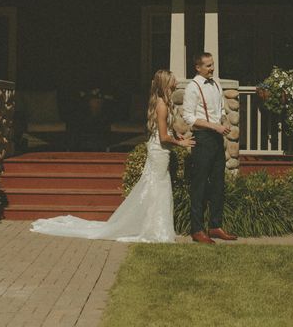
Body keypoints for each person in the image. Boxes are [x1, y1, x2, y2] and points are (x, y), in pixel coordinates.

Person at [30, 70, 194, 243]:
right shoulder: (162, 105)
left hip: (160, 150)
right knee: (158, 186)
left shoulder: (164, 103)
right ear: (166, 83)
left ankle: (156, 227)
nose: (176, 81)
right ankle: (155, 229)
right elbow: (163, 137)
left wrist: (176, 135)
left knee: (157, 186)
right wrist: (179, 143)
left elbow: (166, 130)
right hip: (159, 150)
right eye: (173, 79)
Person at [182, 52, 238, 244]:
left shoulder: (216, 84)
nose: (212, 69)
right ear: (198, 67)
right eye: (208, 66)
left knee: (218, 183)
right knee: (199, 185)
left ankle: (215, 226)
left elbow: (220, 109)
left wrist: (223, 120)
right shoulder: (192, 87)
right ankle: (197, 230)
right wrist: (214, 126)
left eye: (212, 65)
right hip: (203, 138)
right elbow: (188, 117)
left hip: (216, 138)